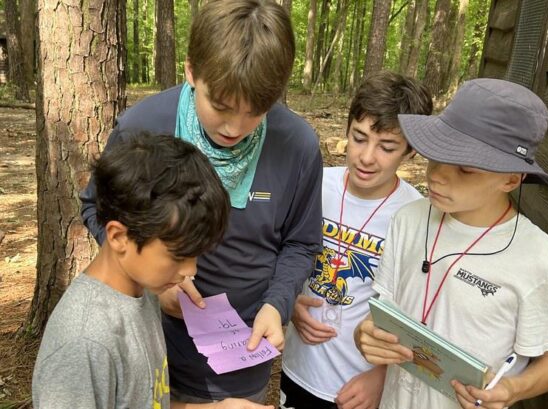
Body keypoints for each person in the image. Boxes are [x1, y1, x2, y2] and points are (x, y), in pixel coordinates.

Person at [79, 0, 323, 405]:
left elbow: (300, 243)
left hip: (243, 351)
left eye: (255, 112)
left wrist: (275, 307)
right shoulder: (144, 127)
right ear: (192, 70)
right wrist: (150, 283)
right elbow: (96, 209)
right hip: (151, 342)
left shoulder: (297, 145)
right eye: (221, 107)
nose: (234, 127)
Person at [354, 78, 548, 409]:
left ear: (511, 179)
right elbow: (385, 309)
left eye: (465, 169)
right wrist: (366, 334)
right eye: (436, 155)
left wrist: (512, 390)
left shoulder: (540, 260)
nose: (438, 175)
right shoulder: (409, 218)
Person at [33, 133, 231, 408]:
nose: (190, 270)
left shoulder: (141, 291)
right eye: (178, 255)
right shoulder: (84, 344)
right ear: (118, 237)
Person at [280, 71, 433, 409]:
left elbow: (420, 311)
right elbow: (281, 252)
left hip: (359, 385)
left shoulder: (417, 216)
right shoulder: (315, 184)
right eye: (359, 137)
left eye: (387, 147)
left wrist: (381, 376)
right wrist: (287, 301)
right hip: (299, 367)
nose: (366, 156)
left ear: (411, 152)